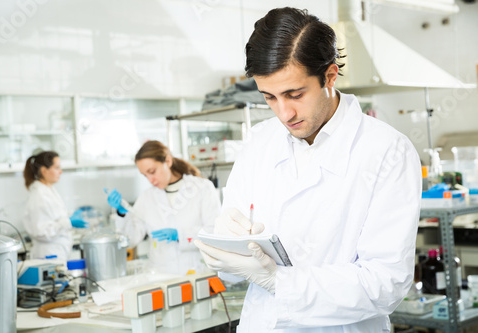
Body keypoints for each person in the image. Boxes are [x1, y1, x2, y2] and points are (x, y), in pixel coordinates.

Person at [194, 7, 422, 332]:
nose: (284, 113)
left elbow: (386, 282)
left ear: (329, 76)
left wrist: (279, 281)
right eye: (269, 97)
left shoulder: (386, 151)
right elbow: (233, 269)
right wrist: (224, 247)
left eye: (295, 94)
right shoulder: (260, 141)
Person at [107, 140, 220, 275]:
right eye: (145, 175)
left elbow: (215, 232)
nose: (150, 180)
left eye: (152, 171)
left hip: (197, 272)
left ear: (168, 161)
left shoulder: (202, 188)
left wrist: (180, 235)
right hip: (160, 277)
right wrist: (121, 213)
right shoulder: (146, 197)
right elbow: (130, 240)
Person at [23, 151, 89, 261]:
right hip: (48, 254)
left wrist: (69, 216)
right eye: (57, 168)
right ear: (44, 171)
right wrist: (69, 222)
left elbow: (54, 217)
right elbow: (41, 232)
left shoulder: (49, 190)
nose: (61, 171)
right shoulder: (39, 195)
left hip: (58, 252)